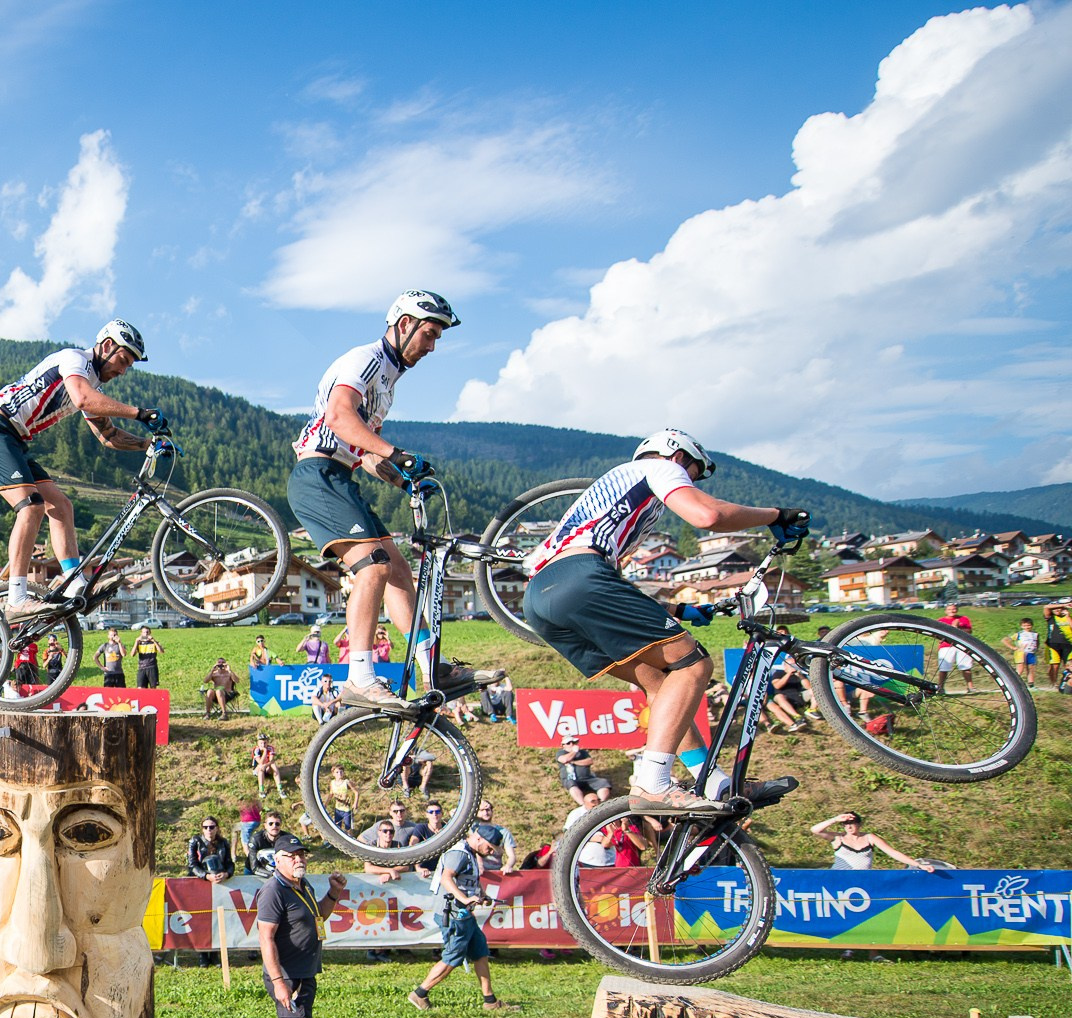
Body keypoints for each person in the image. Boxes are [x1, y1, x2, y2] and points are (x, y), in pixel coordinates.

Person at [523, 429, 807, 813]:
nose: (690, 480)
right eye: (692, 472)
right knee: (693, 665)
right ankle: (652, 783)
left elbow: (606, 585)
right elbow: (707, 515)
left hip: (541, 597)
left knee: (660, 684)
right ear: (678, 456)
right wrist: (776, 515)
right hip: (581, 578)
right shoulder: (657, 468)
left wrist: (681, 611)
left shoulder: (614, 501)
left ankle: (715, 782)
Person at [284, 292, 501, 710]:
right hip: (318, 476)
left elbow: (364, 453)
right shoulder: (365, 360)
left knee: (399, 573)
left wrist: (402, 478)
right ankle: (359, 679)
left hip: (342, 477)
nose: (432, 346)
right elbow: (339, 418)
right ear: (404, 324)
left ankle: (431, 666)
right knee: (373, 567)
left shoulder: (387, 382)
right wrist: (394, 451)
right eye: (429, 334)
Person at [0, 319, 166, 617]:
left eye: (129, 366)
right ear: (107, 346)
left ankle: (75, 585)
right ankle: (16, 599)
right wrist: (140, 413)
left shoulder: (90, 383)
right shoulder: (74, 360)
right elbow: (83, 398)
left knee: (60, 505)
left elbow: (108, 436)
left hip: (14, 440)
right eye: (123, 361)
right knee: (31, 507)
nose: (123, 370)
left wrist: (147, 443)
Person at [226, 834, 355, 1018]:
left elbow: (319, 915)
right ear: (278, 860)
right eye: (292, 855)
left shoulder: (302, 885)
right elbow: (266, 938)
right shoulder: (273, 891)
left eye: (302, 854)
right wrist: (278, 981)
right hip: (284, 975)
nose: (299, 859)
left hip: (305, 971)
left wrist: (333, 893)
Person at [408, 828, 520, 1012]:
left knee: (480, 951)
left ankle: (490, 1001)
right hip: (453, 913)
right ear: (478, 838)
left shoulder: (470, 853)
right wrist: (465, 899)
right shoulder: (459, 853)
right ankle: (419, 994)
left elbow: (468, 880)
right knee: (453, 957)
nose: (491, 852)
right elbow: (446, 878)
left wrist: (481, 894)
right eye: (490, 848)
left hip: (464, 913)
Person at [810, 812, 938, 872]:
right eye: (845, 824)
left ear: (859, 824)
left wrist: (918, 865)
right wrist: (835, 819)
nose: (848, 827)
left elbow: (893, 853)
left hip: (863, 880)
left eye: (851, 823)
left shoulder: (869, 838)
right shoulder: (839, 838)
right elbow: (815, 830)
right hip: (840, 878)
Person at [935, 603, 977, 694]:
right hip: (946, 646)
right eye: (949, 609)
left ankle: (970, 687)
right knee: (943, 668)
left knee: (966, 667)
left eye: (953, 609)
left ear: (956, 610)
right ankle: (940, 688)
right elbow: (937, 633)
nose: (952, 611)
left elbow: (969, 631)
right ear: (946, 611)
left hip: (962, 645)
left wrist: (958, 627)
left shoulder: (963, 619)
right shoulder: (941, 621)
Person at [1004, 619, 1041, 688]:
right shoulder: (1019, 634)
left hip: (1031, 652)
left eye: (1028, 625)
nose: (1027, 627)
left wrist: (1037, 648)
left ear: (1032, 625)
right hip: (1021, 653)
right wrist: (1013, 647)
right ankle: (1012, 683)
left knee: (1031, 668)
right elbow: (1005, 640)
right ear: (1021, 626)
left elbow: (1037, 642)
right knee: (1020, 668)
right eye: (1024, 626)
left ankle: (1031, 685)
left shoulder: (1035, 634)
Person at [250, 732, 285, 800]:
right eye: (261, 743)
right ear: (258, 743)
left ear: (267, 742)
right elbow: (260, 762)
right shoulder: (256, 750)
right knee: (260, 768)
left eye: (265, 743)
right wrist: (265, 752)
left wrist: (265, 765)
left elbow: (271, 760)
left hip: (267, 767)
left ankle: (280, 789)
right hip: (258, 769)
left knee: (273, 765)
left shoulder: (270, 748)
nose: (263, 745)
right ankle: (261, 790)